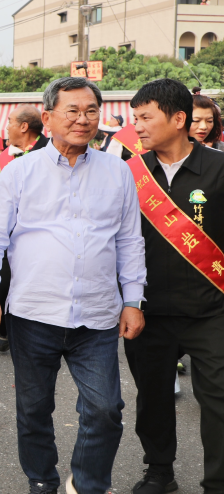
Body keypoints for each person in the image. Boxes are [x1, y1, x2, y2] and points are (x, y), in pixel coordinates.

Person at [0, 76, 146, 494]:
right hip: (34, 313)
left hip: (98, 315)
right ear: (48, 117)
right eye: (72, 111)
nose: (83, 120)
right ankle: (41, 480)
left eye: (91, 111)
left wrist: (133, 299)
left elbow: (129, 239)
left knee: (106, 408)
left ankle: (87, 483)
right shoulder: (19, 171)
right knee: (34, 408)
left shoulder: (118, 172)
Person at [116, 79, 224, 494]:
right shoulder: (129, 173)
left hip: (211, 311)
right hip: (148, 310)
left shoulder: (218, 168)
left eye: (146, 117)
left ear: (178, 119)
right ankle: (159, 470)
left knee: (218, 401)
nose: (137, 126)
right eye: (135, 117)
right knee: (153, 399)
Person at [0, 105, 48, 352]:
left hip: (39, 233)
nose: (7, 127)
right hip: (8, 229)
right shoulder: (6, 155)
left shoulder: (52, 152)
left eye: (11, 122)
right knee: (3, 280)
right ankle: (4, 329)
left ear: (24, 127)